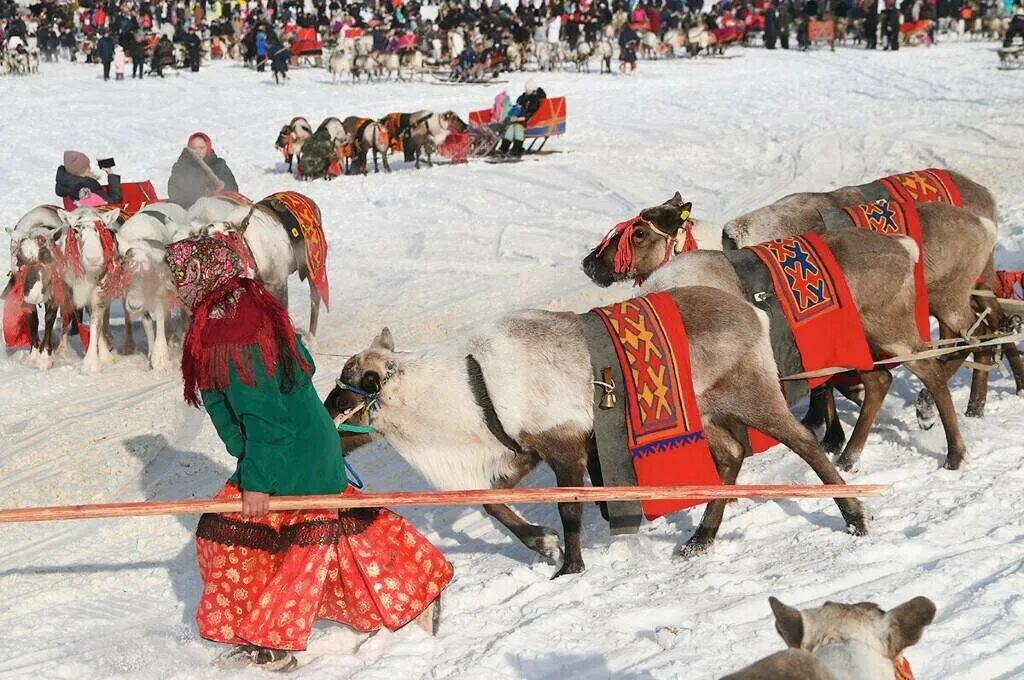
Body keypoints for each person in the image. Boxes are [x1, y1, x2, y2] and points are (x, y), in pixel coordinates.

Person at [163, 236, 453, 671]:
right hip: (299, 442)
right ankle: (415, 586)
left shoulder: (233, 333)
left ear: (199, 277)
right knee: (319, 529)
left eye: (178, 278)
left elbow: (264, 417)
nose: (174, 287)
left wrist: (257, 480)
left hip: (287, 451)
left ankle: (272, 640)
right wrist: (247, 455)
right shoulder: (243, 305)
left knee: (264, 543)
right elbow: (295, 369)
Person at [168, 132, 239, 208]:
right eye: (194, 148)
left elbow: (233, 188)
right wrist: (202, 194)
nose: (198, 152)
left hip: (217, 209)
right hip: (188, 209)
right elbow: (173, 192)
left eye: (201, 148)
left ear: (208, 148)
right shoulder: (181, 166)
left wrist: (224, 187)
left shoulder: (218, 164)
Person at [54, 150, 122, 207]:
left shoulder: (65, 184)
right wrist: (110, 173)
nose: (90, 168)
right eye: (87, 166)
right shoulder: (88, 188)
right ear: (81, 170)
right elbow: (113, 204)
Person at [499, 80, 546, 157]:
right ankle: (504, 148)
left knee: (517, 128)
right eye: (526, 89)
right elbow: (520, 105)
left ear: (533, 90)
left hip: (528, 121)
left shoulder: (535, 100)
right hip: (520, 119)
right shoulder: (525, 97)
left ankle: (516, 149)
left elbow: (531, 113)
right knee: (511, 128)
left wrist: (519, 118)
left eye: (528, 90)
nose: (526, 91)